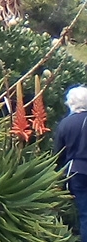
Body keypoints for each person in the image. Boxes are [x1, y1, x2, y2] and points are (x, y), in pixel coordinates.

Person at [55, 85, 87, 241]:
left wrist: (55, 176)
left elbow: (58, 154)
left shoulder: (65, 123)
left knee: (85, 213)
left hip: (75, 172)